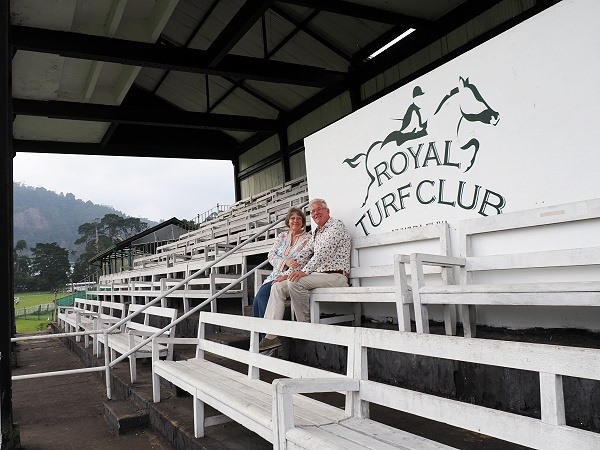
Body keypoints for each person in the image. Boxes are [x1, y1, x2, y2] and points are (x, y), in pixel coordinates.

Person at [259, 198, 351, 352]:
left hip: (337, 276)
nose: (315, 213)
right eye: (312, 211)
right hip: (318, 275)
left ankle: (305, 327)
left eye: (319, 209)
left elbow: (322, 253)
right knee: (278, 286)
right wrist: (287, 274)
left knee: (295, 282)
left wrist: (304, 272)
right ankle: (271, 336)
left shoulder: (336, 226)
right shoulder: (316, 233)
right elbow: (303, 255)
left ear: (327, 211)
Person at [252, 207, 310, 328]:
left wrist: (286, 274)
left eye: (299, 218)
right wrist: (285, 261)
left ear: (303, 221)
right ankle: (259, 333)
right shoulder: (282, 236)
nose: (295, 221)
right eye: (292, 218)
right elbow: (271, 255)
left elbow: (302, 261)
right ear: (288, 221)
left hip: (293, 275)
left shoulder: (307, 239)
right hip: (275, 275)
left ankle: (268, 332)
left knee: (262, 296)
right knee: (256, 301)